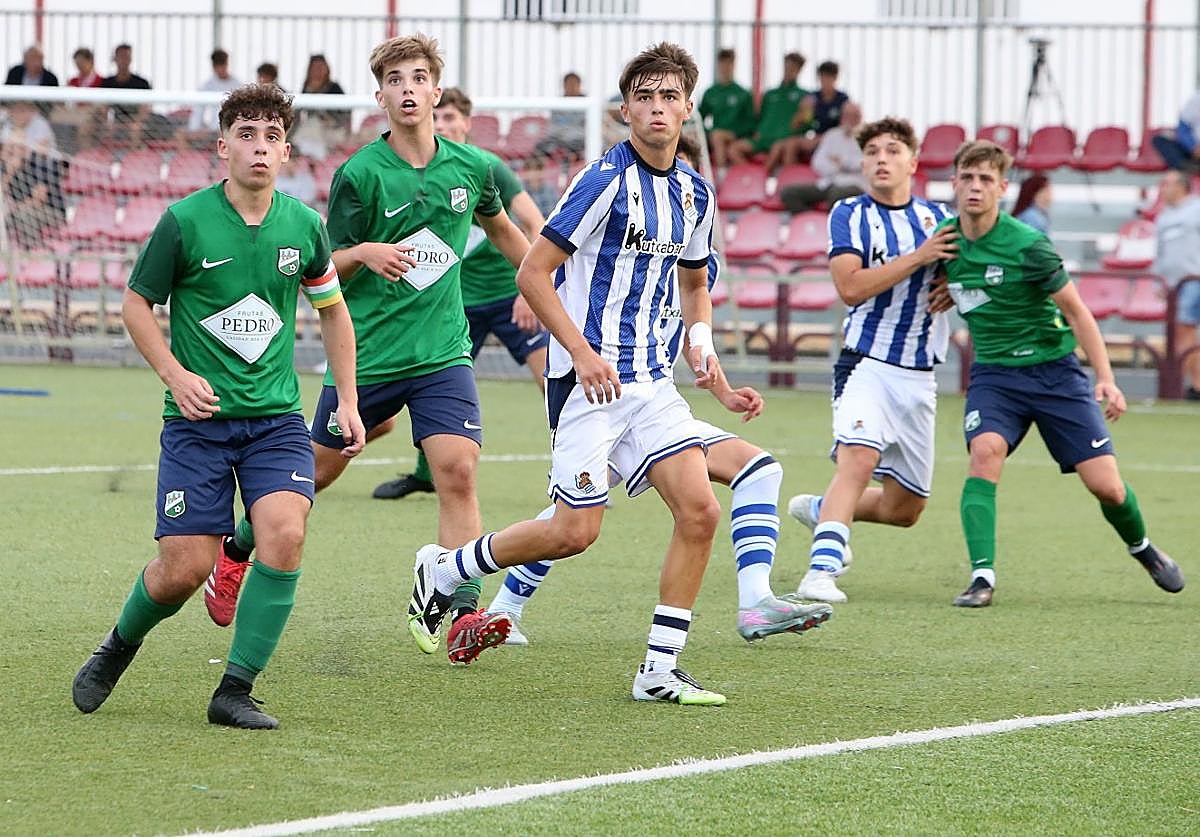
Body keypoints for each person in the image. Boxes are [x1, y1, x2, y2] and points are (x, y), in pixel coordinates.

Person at [408, 42, 832, 706]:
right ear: (625, 108)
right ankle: (449, 566)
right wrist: (579, 352)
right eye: (645, 96)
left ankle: (658, 668)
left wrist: (703, 350)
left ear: (688, 106)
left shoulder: (695, 192)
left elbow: (696, 284)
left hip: (651, 386)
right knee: (574, 531)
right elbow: (532, 271)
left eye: (670, 96)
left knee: (700, 510)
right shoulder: (603, 179)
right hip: (588, 383)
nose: (658, 108)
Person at [206, 34, 532, 667]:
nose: (407, 89)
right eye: (394, 79)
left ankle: (462, 610)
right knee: (312, 478)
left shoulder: (475, 168)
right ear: (378, 95)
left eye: (418, 77)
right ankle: (239, 547)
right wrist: (364, 254)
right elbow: (322, 270)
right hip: (371, 356)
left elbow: (510, 236)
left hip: (443, 353)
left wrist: (555, 292)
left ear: (437, 91)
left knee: (458, 472)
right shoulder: (360, 173)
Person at [71, 83, 365, 729]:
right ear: (223, 144)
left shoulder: (304, 226)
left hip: (275, 421)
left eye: (272, 137)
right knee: (185, 568)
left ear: (287, 151)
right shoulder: (184, 221)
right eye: (247, 134)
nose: (260, 147)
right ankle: (118, 644)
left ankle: (235, 689)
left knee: (285, 533)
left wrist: (345, 397)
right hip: (197, 426)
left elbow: (333, 311)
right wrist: (175, 374)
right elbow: (134, 305)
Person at [484, 135, 832, 646]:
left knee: (753, 471)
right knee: (573, 523)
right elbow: (546, 273)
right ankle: (483, 589)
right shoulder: (616, 232)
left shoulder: (691, 265)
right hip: (602, 390)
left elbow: (689, 338)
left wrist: (724, 390)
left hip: (654, 397)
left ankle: (751, 604)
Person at [935, 139, 1184, 607]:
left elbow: (1078, 311)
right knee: (985, 453)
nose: (974, 186)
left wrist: (1105, 378)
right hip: (995, 377)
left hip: (1055, 375)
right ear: (953, 183)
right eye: (967, 177)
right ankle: (982, 578)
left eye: (985, 179)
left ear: (1002, 188)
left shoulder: (1029, 246)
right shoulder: (943, 244)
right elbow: (932, 278)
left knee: (1107, 487)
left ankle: (1143, 548)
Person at [785, 116, 956, 604]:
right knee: (858, 461)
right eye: (873, 151)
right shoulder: (849, 213)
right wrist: (921, 259)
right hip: (867, 364)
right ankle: (820, 572)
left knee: (906, 509)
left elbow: (968, 280)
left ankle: (825, 509)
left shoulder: (938, 219)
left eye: (893, 150)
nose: (882, 159)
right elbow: (851, 287)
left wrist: (957, 289)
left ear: (913, 162)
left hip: (920, 375)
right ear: (862, 162)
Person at [373, 86, 549, 501]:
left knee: (551, 378)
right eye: (441, 118)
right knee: (428, 386)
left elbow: (534, 224)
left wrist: (531, 291)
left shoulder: (488, 168)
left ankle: (581, 471)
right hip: (457, 303)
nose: (446, 125)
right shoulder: (415, 173)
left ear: (468, 124)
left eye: (454, 118)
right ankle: (426, 474)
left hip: (509, 297)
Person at [1151, 169, 1200, 399]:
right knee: (1182, 332)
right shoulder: (1164, 216)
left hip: (1193, 278)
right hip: (1173, 284)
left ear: (1181, 186)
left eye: (1168, 184)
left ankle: (1193, 385)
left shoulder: (1196, 209)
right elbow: (1160, 251)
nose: (1164, 189)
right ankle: (1192, 384)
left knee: (1185, 329)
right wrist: (1158, 280)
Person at [779, 100, 865, 212]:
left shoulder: (867, 137)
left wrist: (842, 161)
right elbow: (818, 161)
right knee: (788, 193)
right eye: (846, 115)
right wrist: (836, 167)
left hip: (853, 184)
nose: (849, 119)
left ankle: (830, 225)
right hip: (828, 182)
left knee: (836, 195)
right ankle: (812, 221)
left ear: (860, 117)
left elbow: (863, 163)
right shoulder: (832, 135)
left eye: (854, 116)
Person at [729, 52, 807, 172]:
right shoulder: (770, 94)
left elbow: (806, 123)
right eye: (787, 66)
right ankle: (752, 176)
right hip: (762, 139)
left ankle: (760, 179)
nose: (789, 70)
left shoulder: (805, 96)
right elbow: (760, 118)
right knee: (733, 150)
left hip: (782, 141)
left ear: (799, 70)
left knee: (776, 150)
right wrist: (757, 131)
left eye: (793, 68)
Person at [1, 102, 65, 248]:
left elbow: (38, 199)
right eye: (10, 147)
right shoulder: (5, 168)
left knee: (25, 215)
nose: (13, 151)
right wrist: (10, 172)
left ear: (24, 148)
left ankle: (32, 253)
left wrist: (11, 211)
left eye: (17, 147)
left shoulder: (41, 164)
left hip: (51, 212)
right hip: (16, 209)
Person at [778, 59, 850, 165]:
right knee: (791, 144)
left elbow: (846, 128)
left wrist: (824, 137)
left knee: (823, 143)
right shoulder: (813, 97)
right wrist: (802, 112)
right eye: (822, 78)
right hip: (814, 137)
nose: (825, 82)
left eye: (828, 78)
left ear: (835, 78)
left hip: (833, 139)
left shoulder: (843, 99)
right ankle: (791, 177)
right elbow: (796, 126)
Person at [698, 48, 754, 169]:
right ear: (718, 65)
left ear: (734, 65)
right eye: (723, 63)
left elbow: (751, 122)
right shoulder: (710, 92)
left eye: (729, 63)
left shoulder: (743, 93)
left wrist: (736, 133)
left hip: (736, 135)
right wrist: (706, 133)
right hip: (715, 136)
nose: (726, 67)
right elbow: (699, 118)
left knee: (717, 136)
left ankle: (721, 174)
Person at [189, 49, 241, 132]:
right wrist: (194, 129)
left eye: (223, 65)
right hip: (212, 130)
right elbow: (198, 111)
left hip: (231, 129)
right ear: (213, 67)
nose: (220, 69)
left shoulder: (237, 85)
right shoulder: (207, 86)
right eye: (217, 66)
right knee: (181, 135)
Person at [1152, 90, 1200, 172]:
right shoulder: (1195, 100)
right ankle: (1185, 167)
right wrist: (1193, 147)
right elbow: (1182, 130)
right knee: (1160, 139)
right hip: (1194, 150)